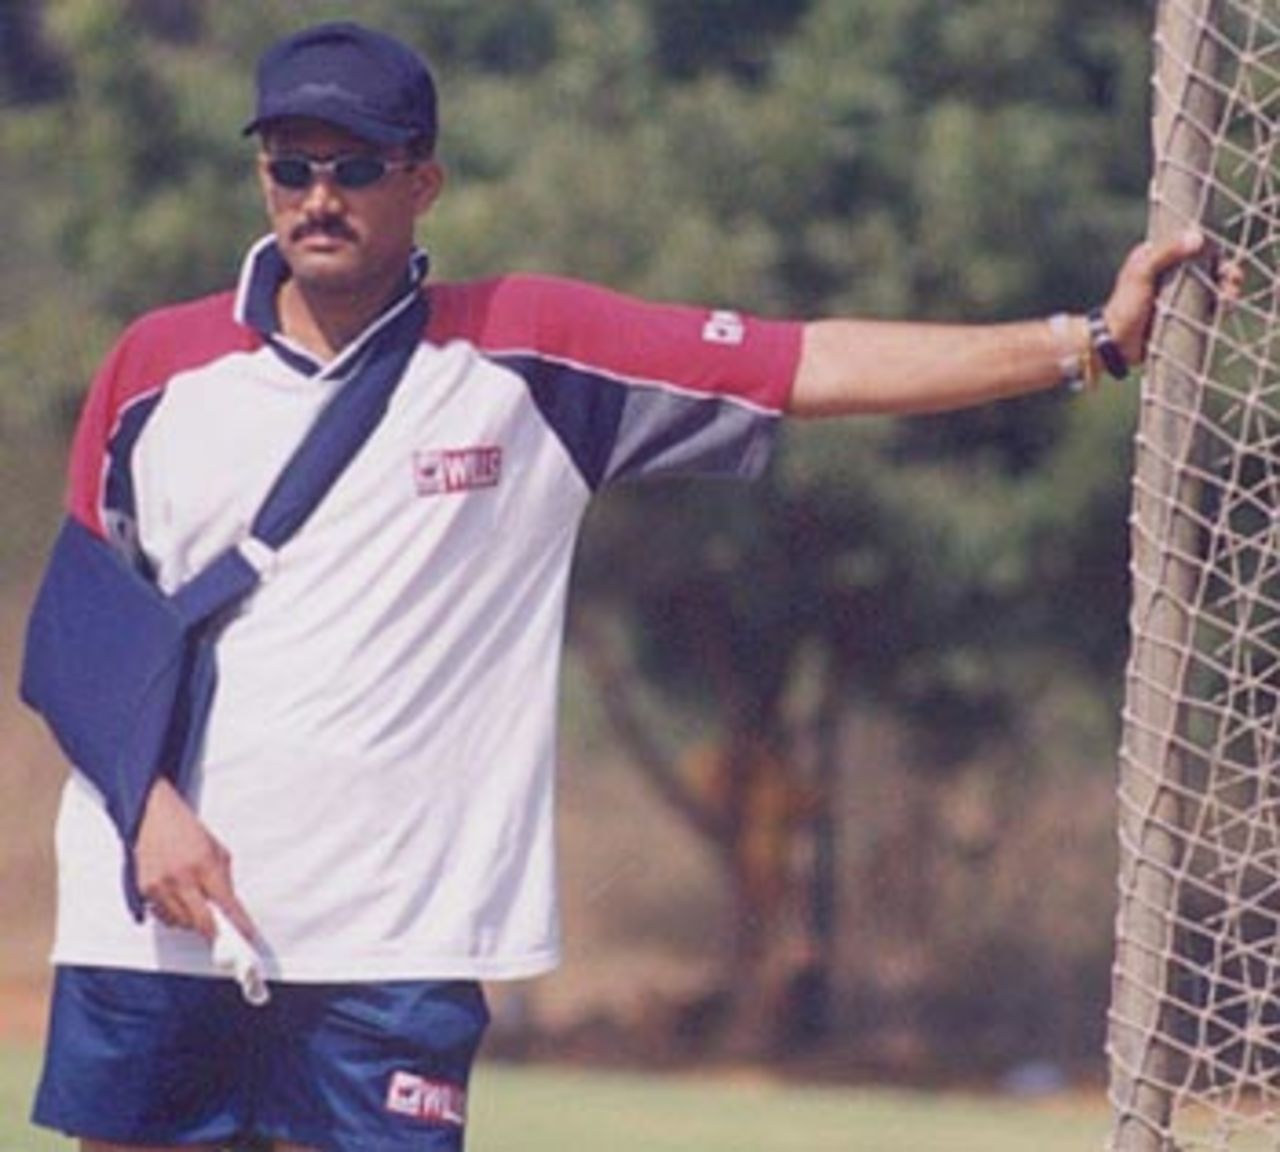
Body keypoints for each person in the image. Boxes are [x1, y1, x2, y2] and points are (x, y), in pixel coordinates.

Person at [26, 19, 1221, 1152]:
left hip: (390, 941)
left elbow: (800, 360)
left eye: (355, 166)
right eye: (290, 167)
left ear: (422, 184)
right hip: (156, 921)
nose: (318, 198)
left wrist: (1085, 344)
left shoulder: (533, 352)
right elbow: (80, 634)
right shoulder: (156, 366)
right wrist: (148, 815)